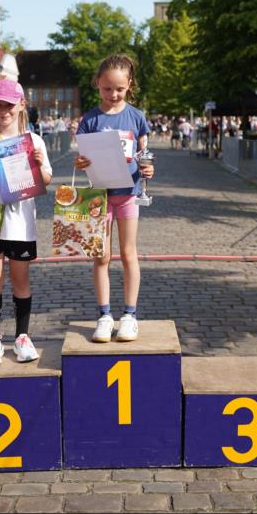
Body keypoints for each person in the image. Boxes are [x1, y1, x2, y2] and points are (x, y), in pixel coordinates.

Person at [74, 54, 154, 343]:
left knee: (129, 254)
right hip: (100, 196)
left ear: (129, 85)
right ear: (97, 84)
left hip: (129, 195)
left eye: (119, 89)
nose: (113, 94)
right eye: (107, 89)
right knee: (101, 257)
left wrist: (148, 168)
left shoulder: (136, 116)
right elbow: (81, 156)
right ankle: (104, 315)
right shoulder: (90, 119)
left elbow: (145, 156)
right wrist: (80, 163)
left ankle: (130, 316)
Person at [0, 80, 52, 367]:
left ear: (21, 105)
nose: (3, 110)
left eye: (8, 104)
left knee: (21, 280)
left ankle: (21, 337)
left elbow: (45, 181)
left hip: (20, 222)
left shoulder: (34, 140)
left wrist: (41, 165)